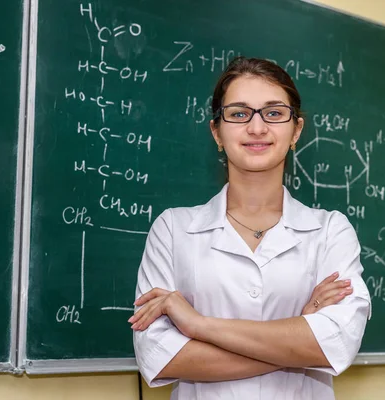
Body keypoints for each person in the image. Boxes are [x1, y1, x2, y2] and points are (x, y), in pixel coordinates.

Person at [130, 57, 371, 399]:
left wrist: (199, 325)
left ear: (296, 130)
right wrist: (296, 339)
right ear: (217, 131)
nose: (257, 128)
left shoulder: (331, 230)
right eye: (239, 114)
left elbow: (336, 344)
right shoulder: (173, 229)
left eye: (274, 113)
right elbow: (160, 358)